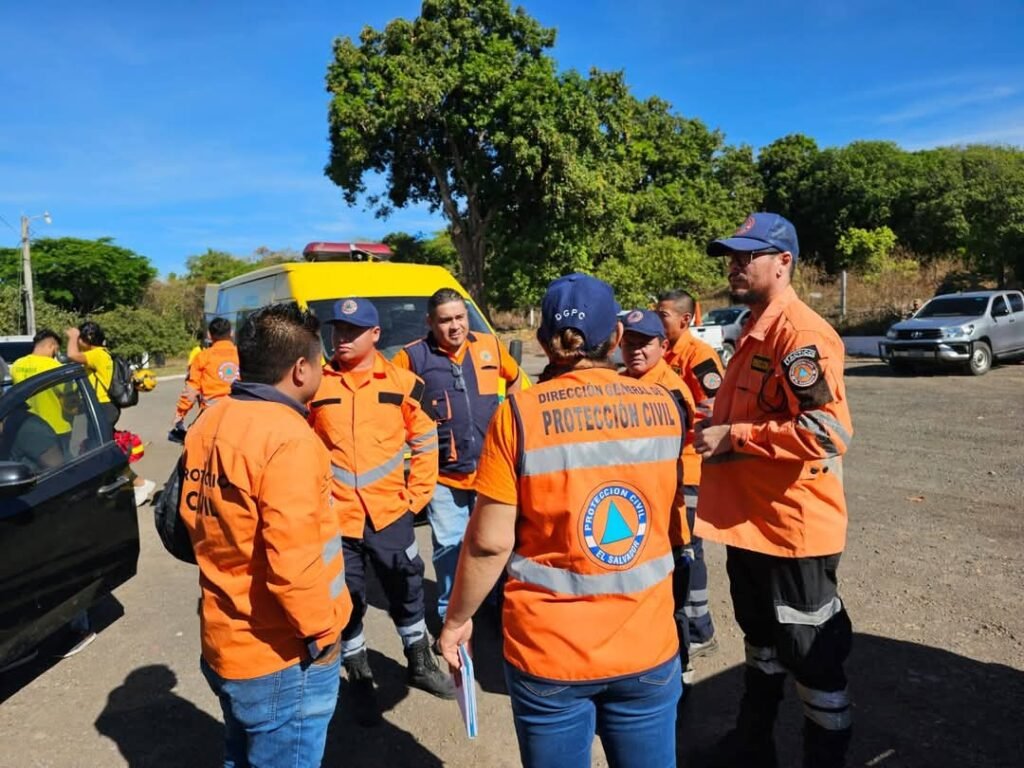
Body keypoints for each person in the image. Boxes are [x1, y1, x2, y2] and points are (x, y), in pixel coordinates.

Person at [439, 274, 688, 768]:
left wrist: (456, 622)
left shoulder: (519, 415)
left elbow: (489, 544)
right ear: (616, 337)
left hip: (551, 651)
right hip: (647, 641)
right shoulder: (666, 405)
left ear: (542, 341)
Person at [694, 213, 854, 768]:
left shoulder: (800, 333)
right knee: (760, 643)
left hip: (794, 530)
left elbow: (827, 431)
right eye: (732, 255)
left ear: (783, 261)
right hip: (752, 524)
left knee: (813, 657)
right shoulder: (752, 325)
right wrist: (713, 419)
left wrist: (733, 434)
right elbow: (759, 411)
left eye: (748, 254)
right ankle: (752, 744)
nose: (735, 264)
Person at [180, 303, 353, 768]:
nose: (324, 370)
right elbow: (293, 564)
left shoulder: (210, 419)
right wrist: (324, 636)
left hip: (223, 638)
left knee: (239, 754)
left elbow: (184, 520)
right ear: (300, 369)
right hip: (280, 654)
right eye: (320, 362)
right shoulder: (289, 438)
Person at [307, 297, 454, 726]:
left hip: (391, 512)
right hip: (336, 517)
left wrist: (418, 495)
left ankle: (419, 661)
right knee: (346, 596)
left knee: (406, 587)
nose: (343, 339)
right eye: (337, 331)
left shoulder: (405, 384)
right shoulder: (316, 385)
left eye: (353, 332)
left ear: (375, 335)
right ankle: (357, 668)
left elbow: (426, 439)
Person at [392, 288, 523, 624]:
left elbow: (518, 380)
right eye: (445, 320)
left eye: (460, 318)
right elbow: (394, 406)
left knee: (492, 544)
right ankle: (454, 615)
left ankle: (493, 605)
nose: (455, 327)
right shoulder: (413, 358)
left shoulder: (489, 346)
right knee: (451, 548)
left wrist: (510, 417)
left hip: (491, 471)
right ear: (430, 322)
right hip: (443, 476)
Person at [618, 309, 699, 683]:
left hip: (665, 522)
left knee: (670, 609)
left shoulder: (670, 391)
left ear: (663, 346)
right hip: (631, 517)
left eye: (644, 343)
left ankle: (681, 676)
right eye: (629, 342)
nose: (635, 350)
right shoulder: (618, 382)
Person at [656, 289, 723, 661]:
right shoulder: (662, 353)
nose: (658, 319)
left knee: (688, 547)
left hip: (690, 465)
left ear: (685, 320)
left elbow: (715, 409)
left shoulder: (698, 358)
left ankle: (701, 632)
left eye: (663, 315)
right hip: (666, 465)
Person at [66, 322, 155, 507]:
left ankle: (139, 483)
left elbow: (71, 355)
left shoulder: (96, 354)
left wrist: (72, 336)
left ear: (86, 339)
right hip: (103, 407)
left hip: (103, 407)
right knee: (98, 449)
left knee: (101, 450)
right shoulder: (101, 354)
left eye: (80, 339)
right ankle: (111, 484)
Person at [9, 329, 72, 455]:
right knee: (61, 467)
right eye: (56, 349)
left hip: (26, 426)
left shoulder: (17, 365)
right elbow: (69, 393)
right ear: (51, 346)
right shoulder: (54, 367)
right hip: (55, 427)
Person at [172, 317, 239, 432]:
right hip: (240, 412)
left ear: (209, 335)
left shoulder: (202, 357)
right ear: (231, 333)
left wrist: (180, 414)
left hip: (211, 414)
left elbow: (191, 390)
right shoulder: (242, 355)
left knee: (194, 443)